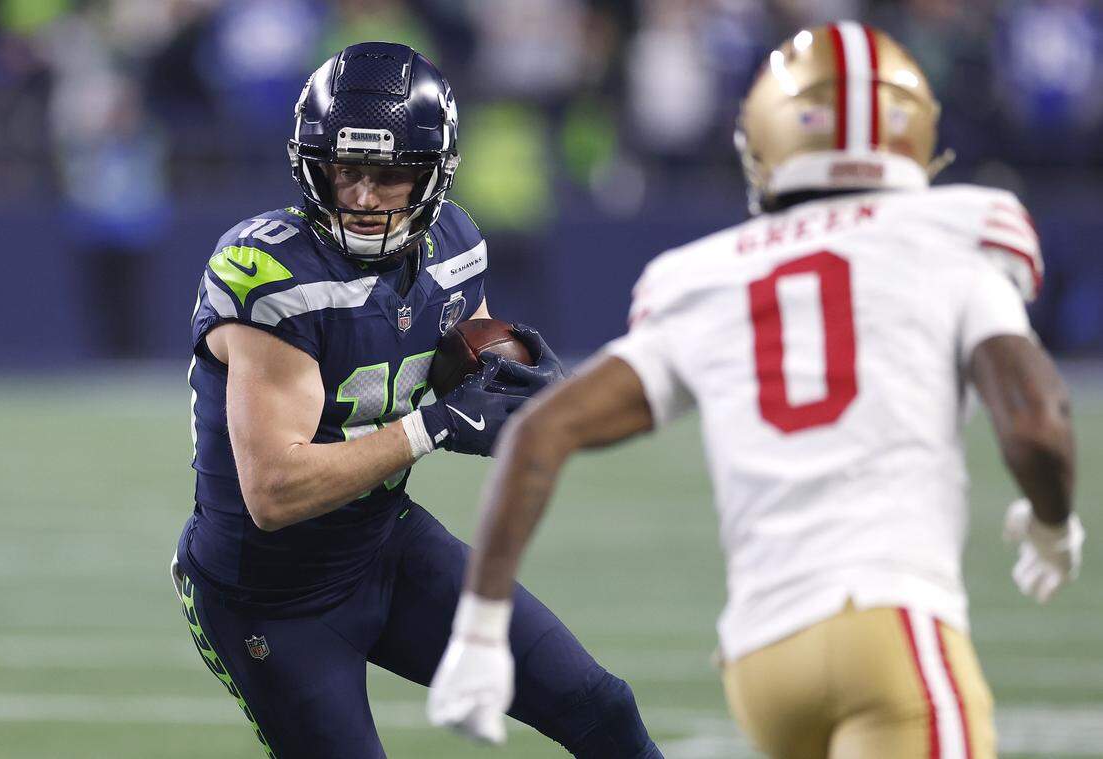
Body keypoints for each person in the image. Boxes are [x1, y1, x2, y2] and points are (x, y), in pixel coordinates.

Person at [428, 23, 1086, 759]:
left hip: (764, 659)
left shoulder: (712, 272)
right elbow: (1034, 424)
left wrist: (483, 630)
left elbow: (542, 431)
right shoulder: (957, 229)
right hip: (890, 621)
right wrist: (1053, 524)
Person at [170, 42, 662, 759]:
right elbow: (273, 490)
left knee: (601, 707)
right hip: (269, 599)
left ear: (432, 175)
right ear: (313, 166)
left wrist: (519, 388)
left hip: (383, 544)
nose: (365, 198)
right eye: (347, 172)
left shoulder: (453, 241)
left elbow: (466, 357)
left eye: (390, 175)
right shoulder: (272, 274)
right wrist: (435, 424)